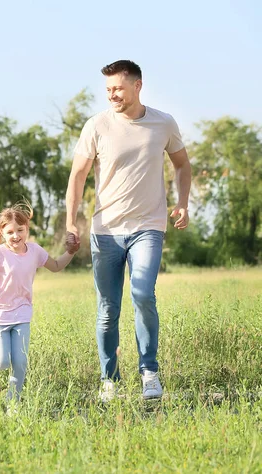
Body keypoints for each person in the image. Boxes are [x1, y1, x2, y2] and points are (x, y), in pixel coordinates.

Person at [65, 60, 192, 401]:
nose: (112, 95)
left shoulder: (163, 123)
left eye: (118, 88)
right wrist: (70, 221)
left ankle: (149, 372)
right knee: (108, 308)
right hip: (104, 230)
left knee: (142, 293)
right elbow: (77, 175)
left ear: (138, 86)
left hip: (148, 227)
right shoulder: (97, 125)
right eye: (108, 90)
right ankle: (110, 379)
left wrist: (183, 201)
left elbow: (182, 164)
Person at [0, 202, 75, 404]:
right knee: (1, 362)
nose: (15, 236)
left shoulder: (35, 251)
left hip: (23, 313)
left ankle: (13, 402)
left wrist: (71, 251)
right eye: (10, 232)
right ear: (2, 232)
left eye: (20, 230)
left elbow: (57, 265)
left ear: (27, 229)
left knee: (20, 362)